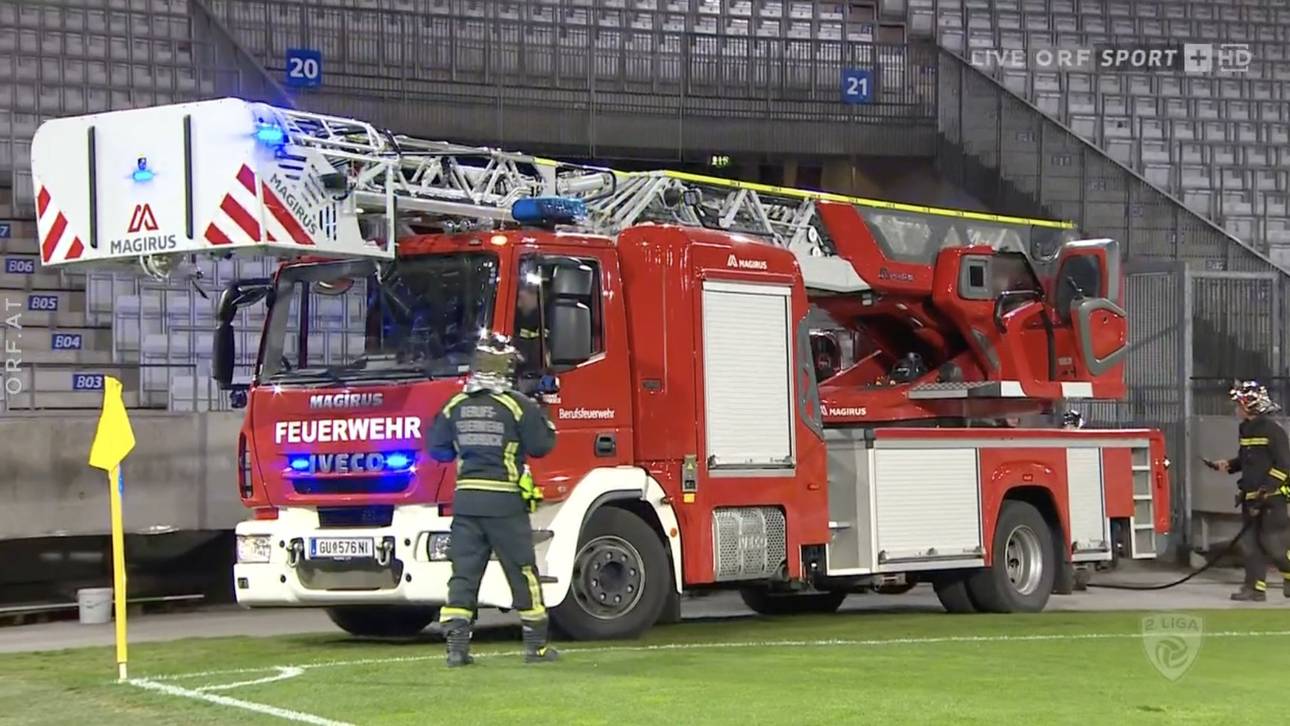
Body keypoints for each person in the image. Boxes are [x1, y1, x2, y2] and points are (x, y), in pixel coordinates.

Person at [427, 332, 559, 665]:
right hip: (505, 505)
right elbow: (542, 445)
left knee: (464, 574)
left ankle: (457, 649)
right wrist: (544, 411)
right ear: (506, 369)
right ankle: (536, 647)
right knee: (521, 572)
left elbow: (437, 450)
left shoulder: (455, 405)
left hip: (467, 503)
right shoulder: (516, 405)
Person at [1203, 380, 1290, 602]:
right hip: (1251, 498)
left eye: (1239, 404)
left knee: (1275, 545)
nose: (1236, 409)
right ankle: (1254, 589)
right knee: (1250, 545)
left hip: (1272, 499)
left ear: (1251, 406)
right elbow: (1248, 459)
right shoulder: (1246, 429)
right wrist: (1229, 465)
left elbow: (1284, 466)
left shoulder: (1272, 431)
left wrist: (1267, 489)